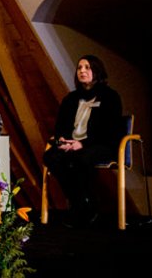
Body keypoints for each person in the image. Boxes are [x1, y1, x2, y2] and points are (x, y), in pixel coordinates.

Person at [44, 54, 123, 227]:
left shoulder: (110, 97)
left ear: (97, 71)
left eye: (87, 67)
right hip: (73, 145)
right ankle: (82, 202)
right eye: (79, 68)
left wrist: (82, 144)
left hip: (99, 144)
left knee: (80, 158)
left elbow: (110, 130)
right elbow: (60, 127)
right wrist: (62, 140)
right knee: (51, 157)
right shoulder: (70, 99)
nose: (82, 71)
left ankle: (82, 205)